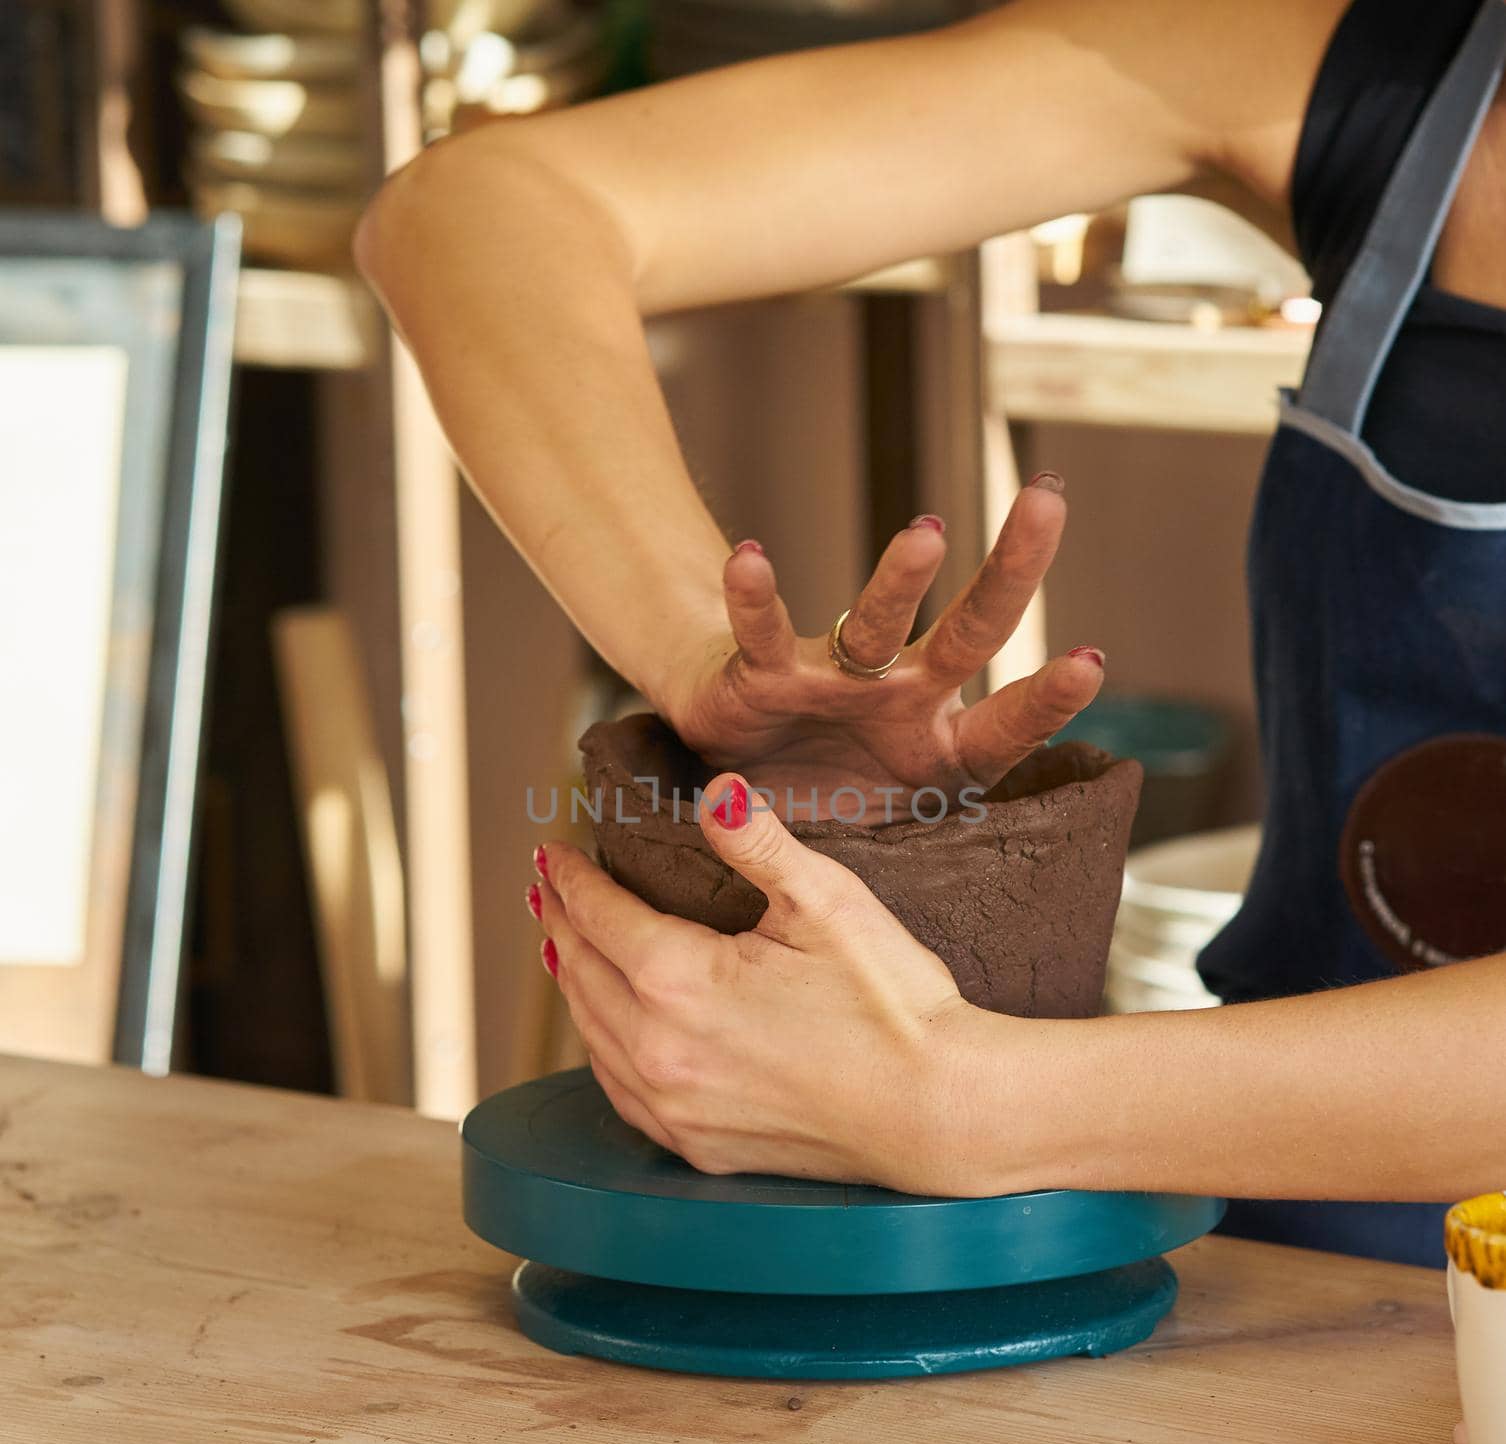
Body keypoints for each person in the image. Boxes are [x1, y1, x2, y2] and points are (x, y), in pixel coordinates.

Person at [355, 0, 1506, 1273]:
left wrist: (967, 1102)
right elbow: (473, 216)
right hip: (1297, 1268)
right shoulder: (1355, 66)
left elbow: (961, 1104)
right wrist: (706, 657)